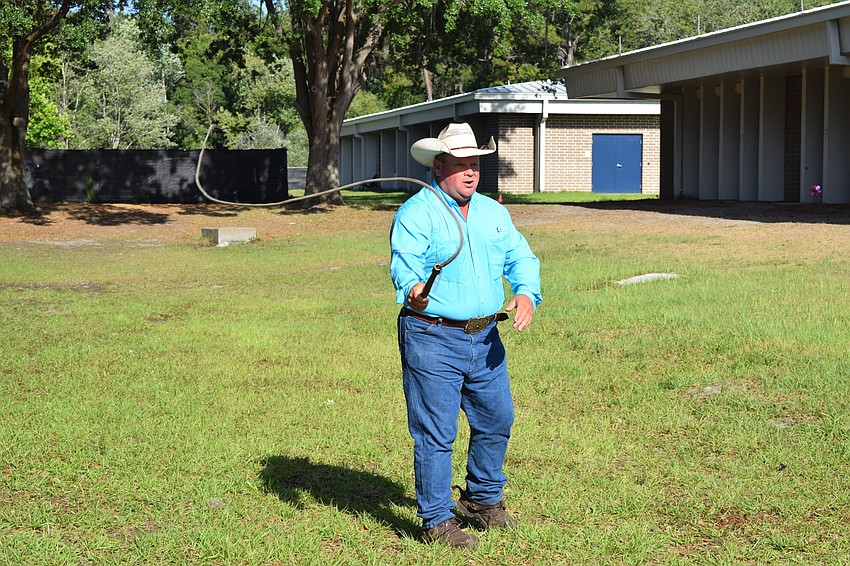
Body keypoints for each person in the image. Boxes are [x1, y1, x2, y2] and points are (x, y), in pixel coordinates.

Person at [390, 122, 542, 549]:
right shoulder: (417, 212)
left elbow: (520, 256)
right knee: (436, 432)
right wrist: (414, 290)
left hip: (486, 338)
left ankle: (482, 500)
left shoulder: (495, 212)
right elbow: (406, 263)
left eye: (475, 164)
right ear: (439, 167)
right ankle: (437, 519)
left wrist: (528, 292)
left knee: (497, 419)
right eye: (461, 165)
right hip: (432, 335)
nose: (471, 173)